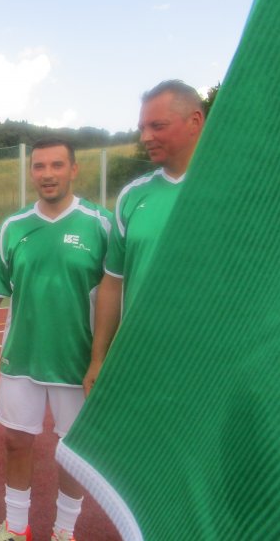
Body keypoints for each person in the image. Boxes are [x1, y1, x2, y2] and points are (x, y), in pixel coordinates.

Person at [0, 139, 112, 541]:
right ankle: (16, 528)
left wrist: (105, 356)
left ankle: (64, 531)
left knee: (72, 453)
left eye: (57, 165)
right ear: (32, 172)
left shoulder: (101, 223)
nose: (47, 174)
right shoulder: (14, 226)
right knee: (15, 441)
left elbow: (116, 292)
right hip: (21, 357)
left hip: (78, 362)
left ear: (74, 170)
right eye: (39, 166)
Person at [83, 80, 205, 396]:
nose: (145, 137)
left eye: (157, 126)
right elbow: (113, 283)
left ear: (195, 121)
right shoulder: (132, 196)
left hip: (214, 361)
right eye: (142, 127)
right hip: (143, 360)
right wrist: (98, 359)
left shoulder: (234, 190)